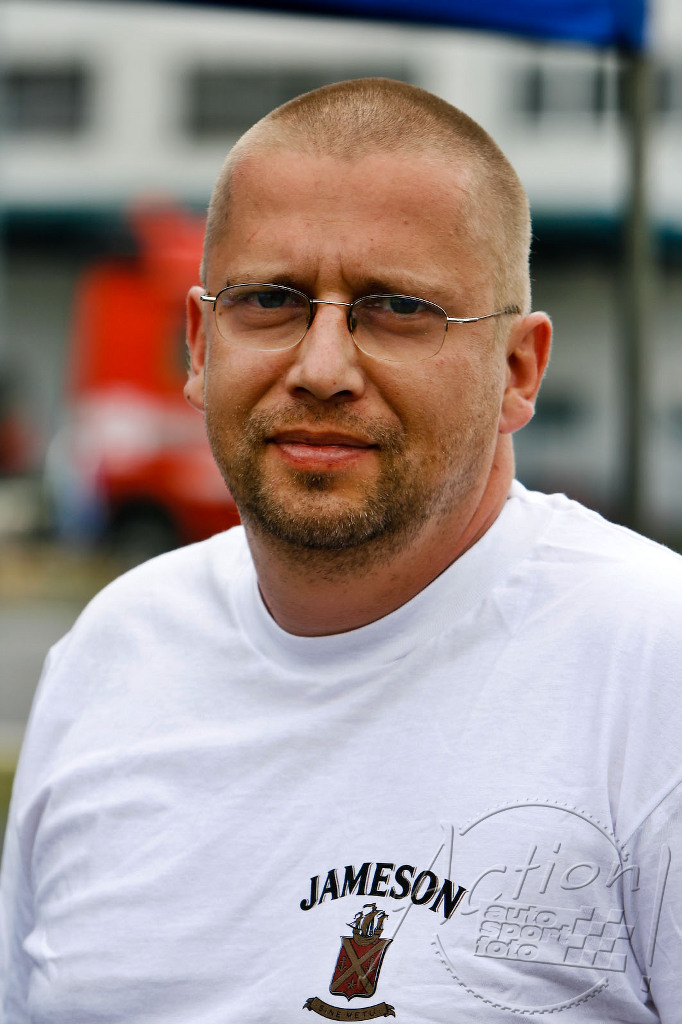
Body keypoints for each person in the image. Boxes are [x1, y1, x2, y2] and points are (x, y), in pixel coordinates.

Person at [1, 78, 680, 1023]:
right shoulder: (112, 654)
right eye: (270, 300)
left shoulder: (652, 666)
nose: (321, 369)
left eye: (397, 307)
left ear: (518, 370)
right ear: (200, 344)